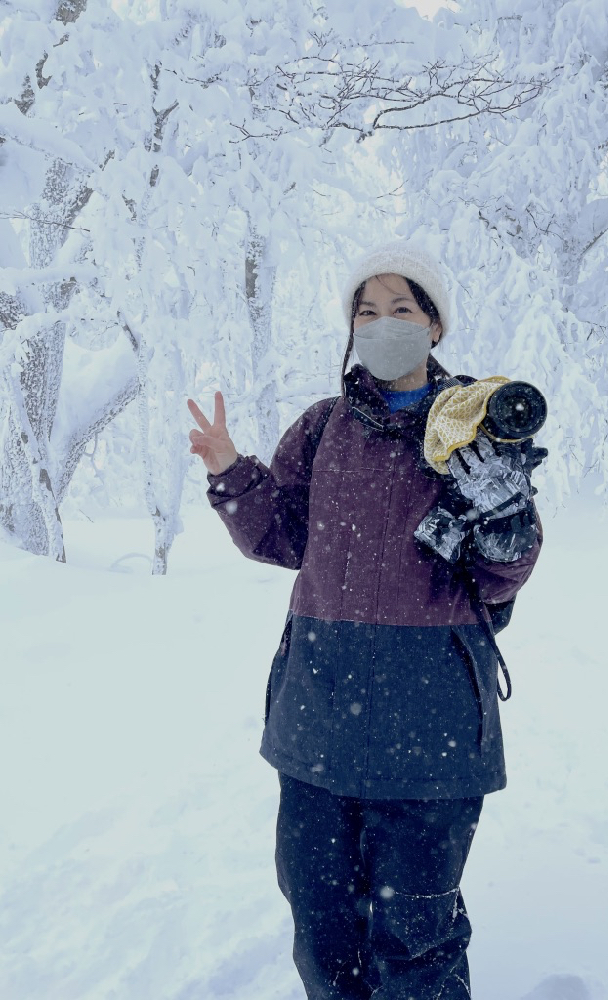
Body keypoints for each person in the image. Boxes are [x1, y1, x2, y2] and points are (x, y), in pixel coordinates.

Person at [187, 242, 542, 1000]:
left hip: (433, 735)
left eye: (401, 310)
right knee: (323, 932)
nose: (382, 325)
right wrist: (230, 471)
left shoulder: (476, 427)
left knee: (417, 940)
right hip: (317, 732)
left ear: (436, 325)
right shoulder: (321, 430)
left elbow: (503, 574)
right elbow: (280, 536)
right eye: (366, 312)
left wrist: (506, 519)